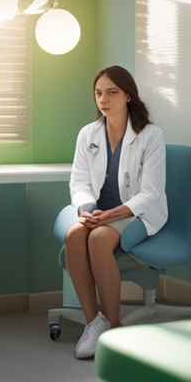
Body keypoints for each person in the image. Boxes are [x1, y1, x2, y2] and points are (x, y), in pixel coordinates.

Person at [64, 65, 167, 359]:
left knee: (98, 240)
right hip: (99, 211)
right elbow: (79, 180)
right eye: (98, 93)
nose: (103, 99)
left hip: (136, 213)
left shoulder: (150, 135)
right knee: (75, 234)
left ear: (128, 96)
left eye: (112, 92)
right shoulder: (89, 133)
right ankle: (93, 323)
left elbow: (151, 192)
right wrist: (87, 209)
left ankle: (115, 327)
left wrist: (112, 215)